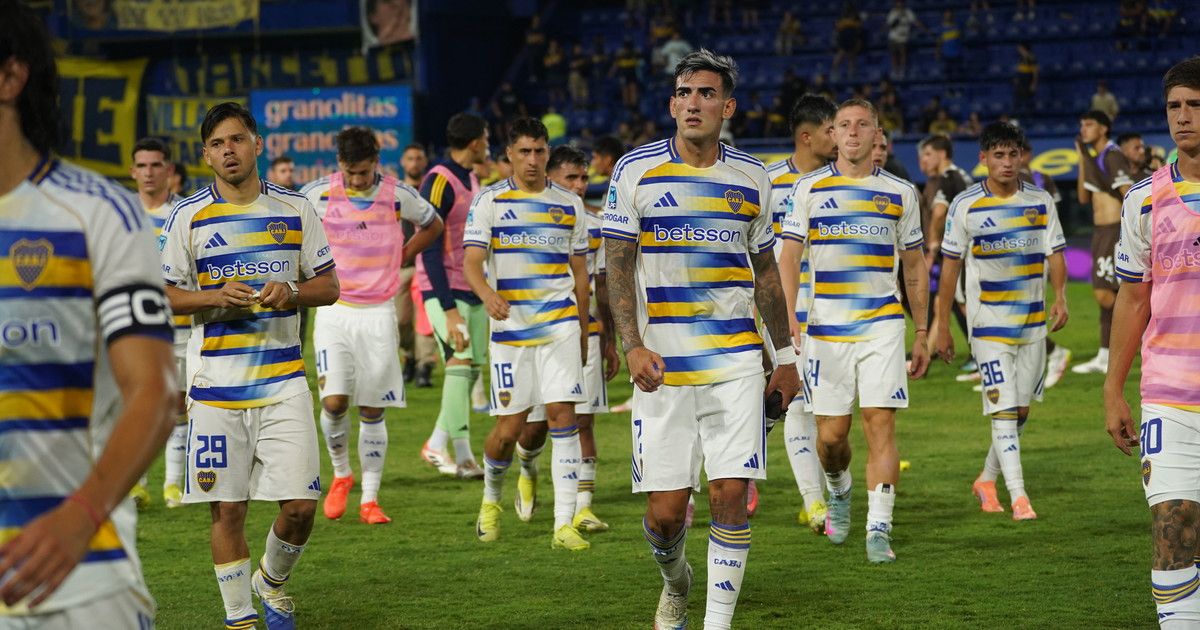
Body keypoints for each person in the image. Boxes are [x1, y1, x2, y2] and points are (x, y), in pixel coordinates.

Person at [603, 49, 800, 630]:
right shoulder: (634, 170)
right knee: (666, 515)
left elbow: (766, 273)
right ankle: (676, 583)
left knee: (729, 496)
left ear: (727, 107)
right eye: (685, 93)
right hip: (662, 366)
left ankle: (717, 624)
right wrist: (632, 344)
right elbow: (617, 264)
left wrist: (786, 357)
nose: (694, 103)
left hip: (736, 361)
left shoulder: (753, 177)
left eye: (707, 93)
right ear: (672, 104)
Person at [0, 3, 176, 624]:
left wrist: (81, 516)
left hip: (82, 580)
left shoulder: (97, 213)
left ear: (10, 77)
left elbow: (155, 392)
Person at [160, 101, 340, 630]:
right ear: (205, 155)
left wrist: (292, 290)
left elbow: (330, 286)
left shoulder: (296, 208)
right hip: (215, 387)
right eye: (217, 144)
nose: (228, 151)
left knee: (301, 508)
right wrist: (213, 296)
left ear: (257, 144)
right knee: (228, 508)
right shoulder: (188, 215)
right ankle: (240, 618)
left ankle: (271, 582)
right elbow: (162, 296)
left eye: (237, 139)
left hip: (284, 382)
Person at [780, 98, 930, 564]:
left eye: (862, 124)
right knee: (831, 438)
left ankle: (879, 529)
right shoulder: (808, 188)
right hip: (825, 330)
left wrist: (922, 329)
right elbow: (789, 257)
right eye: (843, 124)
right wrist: (787, 316)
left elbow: (914, 265)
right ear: (833, 133)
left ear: (876, 135)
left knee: (880, 424)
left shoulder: (901, 193)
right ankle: (838, 489)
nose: (852, 131)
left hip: (882, 325)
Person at [301, 127, 443, 525]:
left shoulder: (398, 195)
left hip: (379, 312)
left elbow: (433, 224)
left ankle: (370, 499)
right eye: (350, 172)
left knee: (371, 407)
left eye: (363, 172)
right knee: (334, 403)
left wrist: (404, 254)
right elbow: (291, 230)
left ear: (376, 162)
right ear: (340, 164)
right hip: (334, 310)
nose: (357, 180)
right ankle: (342, 474)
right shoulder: (317, 194)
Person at [464, 116, 593, 550]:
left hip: (559, 325)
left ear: (547, 153)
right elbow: (471, 262)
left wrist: (583, 329)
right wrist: (487, 294)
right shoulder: (489, 201)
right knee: (509, 430)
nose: (533, 159)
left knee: (563, 417)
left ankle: (563, 524)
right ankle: (491, 499)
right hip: (512, 332)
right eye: (524, 152)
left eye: (539, 151)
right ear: (509, 155)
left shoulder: (569, 204)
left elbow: (580, 273)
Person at [1105, 56, 1200, 629]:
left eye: (1195, 105)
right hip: (1170, 391)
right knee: (1173, 522)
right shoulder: (1143, 198)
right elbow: (1132, 299)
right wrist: (1113, 390)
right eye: (1174, 106)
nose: (1183, 117)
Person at [934, 122, 1069, 520]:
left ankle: (987, 479)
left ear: (1021, 156)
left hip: (1033, 325)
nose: (1007, 162)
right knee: (1004, 410)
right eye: (998, 155)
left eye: (1013, 154)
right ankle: (1019, 496)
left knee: (1020, 411)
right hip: (988, 326)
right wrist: (942, 325)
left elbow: (1056, 253)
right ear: (984, 159)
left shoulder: (1040, 201)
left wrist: (1060, 296)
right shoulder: (965, 205)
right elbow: (949, 268)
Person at [514, 146, 620, 534]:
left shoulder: (598, 226)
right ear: (551, 177)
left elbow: (603, 286)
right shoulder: (522, 218)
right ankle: (527, 469)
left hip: (583, 334)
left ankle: (582, 507)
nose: (579, 185)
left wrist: (609, 340)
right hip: (535, 337)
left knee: (583, 420)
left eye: (583, 177)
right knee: (534, 428)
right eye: (570, 178)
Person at [767, 94, 839, 532]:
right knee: (792, 403)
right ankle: (814, 501)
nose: (839, 136)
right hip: (782, 310)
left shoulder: (841, 181)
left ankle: (826, 494)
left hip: (832, 307)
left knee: (828, 409)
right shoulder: (768, 181)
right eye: (832, 129)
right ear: (807, 136)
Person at [417, 113, 491, 478]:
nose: (488, 145)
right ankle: (462, 457)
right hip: (443, 288)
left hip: (471, 286)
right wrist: (448, 309)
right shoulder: (438, 180)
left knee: (471, 369)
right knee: (459, 364)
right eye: (486, 139)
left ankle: (438, 443)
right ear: (475, 142)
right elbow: (429, 246)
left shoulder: (472, 177)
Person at [129, 137, 189, 510]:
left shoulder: (183, 213)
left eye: (156, 165)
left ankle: (173, 485)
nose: (149, 172)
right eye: (142, 166)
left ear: (169, 170)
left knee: (178, 405)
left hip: (180, 327)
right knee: (138, 406)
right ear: (133, 171)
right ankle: (136, 484)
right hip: (136, 329)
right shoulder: (121, 215)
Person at [1073, 110, 1134, 375]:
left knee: (1104, 292)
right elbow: (1083, 198)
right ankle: (1105, 354)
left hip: (1113, 231)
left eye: (1089, 124)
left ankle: (1144, 327)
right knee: (1109, 293)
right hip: (1101, 232)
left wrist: (1130, 232)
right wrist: (1082, 157)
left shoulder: (1112, 155)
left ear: (1104, 129)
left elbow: (1128, 194)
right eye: (1082, 125)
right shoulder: (1095, 157)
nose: (1083, 129)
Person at [1017, 138, 1073, 389]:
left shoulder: (1040, 180)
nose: (1013, 160)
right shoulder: (1004, 182)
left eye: (1018, 153)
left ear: (1027, 154)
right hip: (1011, 255)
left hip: (1036, 253)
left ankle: (1054, 354)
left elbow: (1054, 215)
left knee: (1025, 315)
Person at [916, 134, 973, 363]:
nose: (925, 159)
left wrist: (932, 245)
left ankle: (985, 355)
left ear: (942, 154)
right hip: (970, 249)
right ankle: (926, 358)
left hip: (961, 253)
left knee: (966, 306)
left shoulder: (949, 177)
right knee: (943, 304)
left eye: (929, 154)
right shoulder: (962, 176)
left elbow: (940, 212)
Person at [397, 143, 439, 387]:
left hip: (426, 263)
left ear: (425, 162)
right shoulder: (395, 192)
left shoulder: (430, 191)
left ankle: (425, 365)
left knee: (427, 317)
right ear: (403, 162)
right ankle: (410, 357)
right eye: (410, 158)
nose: (414, 163)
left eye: (418, 158)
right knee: (401, 320)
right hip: (401, 265)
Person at [886, 0, 926, 79]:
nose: (900, 4)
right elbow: (890, 24)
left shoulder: (908, 12)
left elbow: (915, 21)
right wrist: (898, 16)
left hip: (903, 38)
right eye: (898, 2)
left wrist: (924, 28)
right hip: (893, 37)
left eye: (901, 2)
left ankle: (902, 71)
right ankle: (895, 71)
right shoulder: (893, 12)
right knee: (894, 55)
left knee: (903, 54)